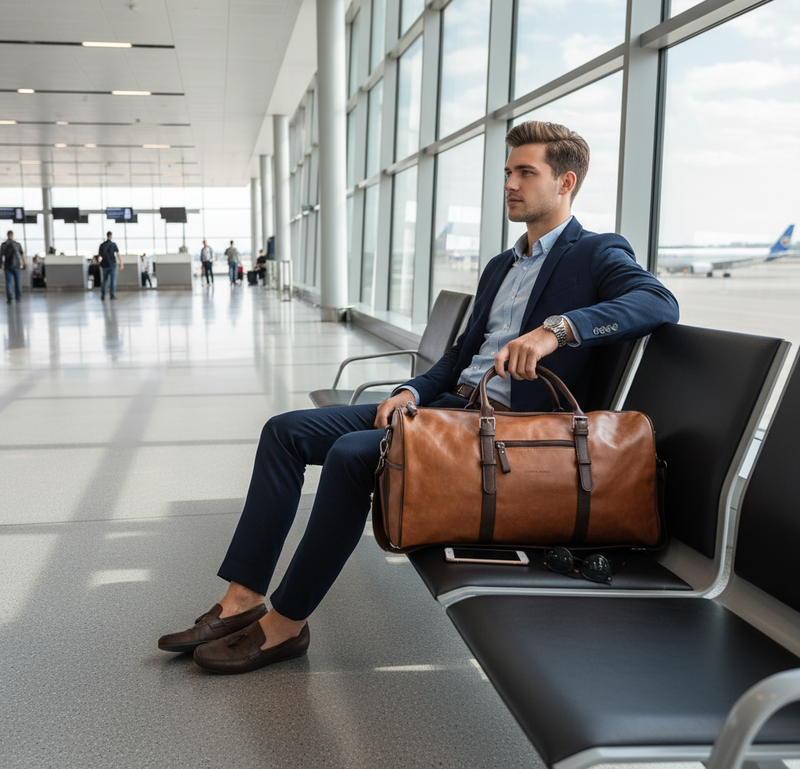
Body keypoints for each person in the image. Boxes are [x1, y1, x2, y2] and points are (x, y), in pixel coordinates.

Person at [158, 121, 679, 674]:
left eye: (526, 172)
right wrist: (410, 389)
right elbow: (459, 360)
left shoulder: (595, 253)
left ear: (566, 182)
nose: (510, 183)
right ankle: (244, 597)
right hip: (450, 408)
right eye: (507, 172)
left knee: (356, 455)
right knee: (285, 433)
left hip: (508, 434)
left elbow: (658, 301)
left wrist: (558, 330)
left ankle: (286, 623)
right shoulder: (502, 265)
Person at [1, 230, 26, 304]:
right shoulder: (17, 244)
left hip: (8, 266)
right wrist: (23, 263)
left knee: (9, 283)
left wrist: (2, 264)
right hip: (17, 266)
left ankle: (10, 299)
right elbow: (22, 254)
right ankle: (18, 298)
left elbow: (1, 255)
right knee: (18, 282)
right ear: (12, 235)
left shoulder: (4, 245)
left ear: (7, 235)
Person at [98, 231, 124, 301]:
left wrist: (100, 263)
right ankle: (112, 295)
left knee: (105, 280)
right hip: (112, 265)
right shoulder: (113, 244)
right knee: (113, 280)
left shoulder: (102, 245)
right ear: (111, 236)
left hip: (104, 265)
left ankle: (103, 294)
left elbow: (99, 257)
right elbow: (118, 254)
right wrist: (121, 263)